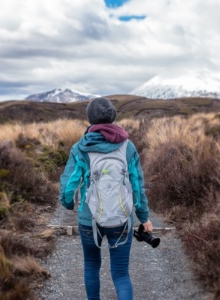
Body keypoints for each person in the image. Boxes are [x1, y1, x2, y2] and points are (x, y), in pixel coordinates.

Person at [59, 97, 152, 300]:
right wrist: (144, 217)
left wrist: (69, 204)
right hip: (122, 219)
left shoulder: (80, 148)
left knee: (92, 265)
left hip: (88, 219)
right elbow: (137, 187)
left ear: (90, 119)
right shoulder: (128, 147)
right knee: (120, 273)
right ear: (113, 117)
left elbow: (68, 188)